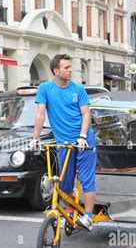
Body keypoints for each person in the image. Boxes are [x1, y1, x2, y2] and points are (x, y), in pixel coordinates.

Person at [31, 54, 96, 231]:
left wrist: (83, 136)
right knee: (64, 181)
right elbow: (40, 113)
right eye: (66, 67)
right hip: (63, 143)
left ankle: (88, 217)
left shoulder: (78, 90)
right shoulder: (45, 88)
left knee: (86, 177)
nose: (70, 70)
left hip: (84, 140)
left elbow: (86, 114)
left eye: (70, 67)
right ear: (56, 70)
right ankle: (67, 213)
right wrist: (35, 138)